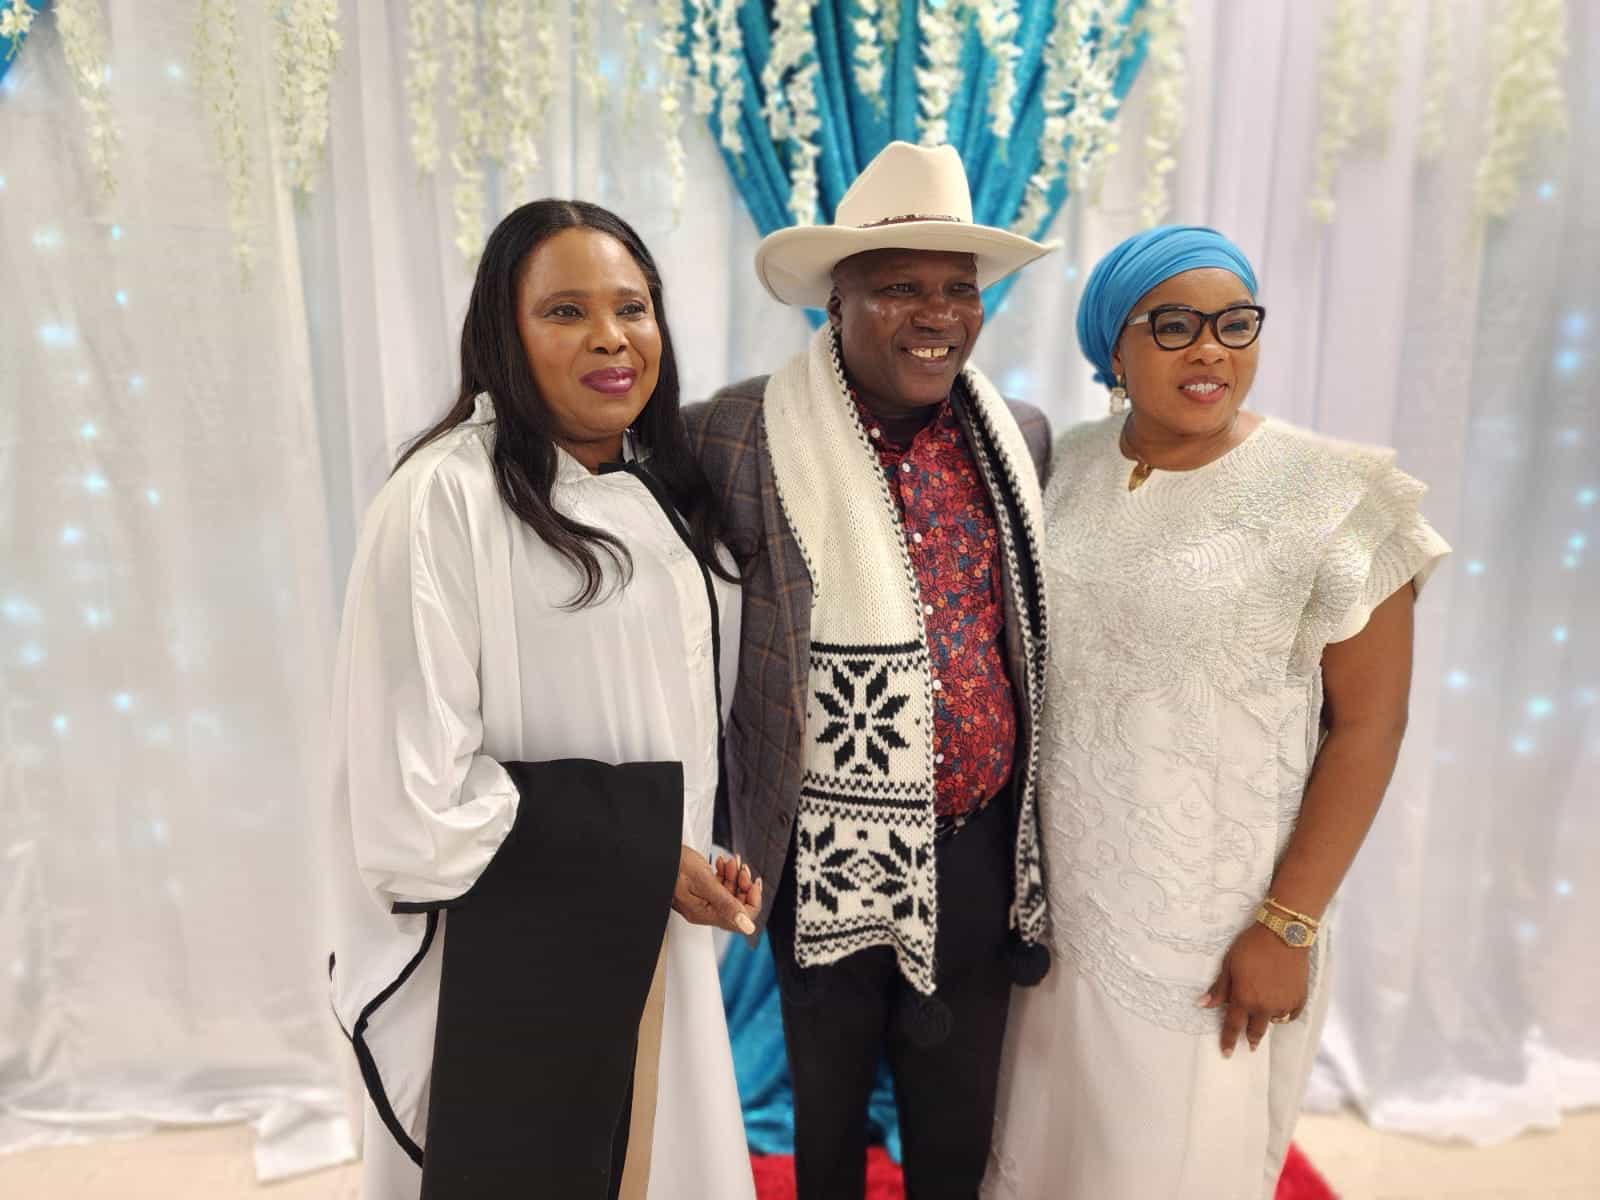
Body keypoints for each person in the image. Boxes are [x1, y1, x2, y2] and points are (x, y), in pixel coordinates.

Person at [986, 225, 1451, 1200]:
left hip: (1213, 917)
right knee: (1052, 1154)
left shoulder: (1338, 496)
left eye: (1236, 323)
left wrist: (1286, 925)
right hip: (1060, 905)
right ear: (1113, 348)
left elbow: (1371, 727)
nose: (1211, 349)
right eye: (1175, 325)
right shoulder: (1057, 466)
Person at [325, 199, 758, 1200]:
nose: (610, 337)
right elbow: (412, 800)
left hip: (652, 934)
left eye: (632, 307)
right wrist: (644, 851)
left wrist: (695, 852)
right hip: (515, 956)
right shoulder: (445, 498)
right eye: (566, 311)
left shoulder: (659, 490)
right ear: (502, 334)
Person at [685, 141, 1056, 1200]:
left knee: (956, 1115)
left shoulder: (1018, 435)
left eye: (958, 289)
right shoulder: (733, 434)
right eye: (899, 288)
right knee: (829, 1106)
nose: (937, 315)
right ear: (836, 299)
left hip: (981, 835)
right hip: (819, 846)